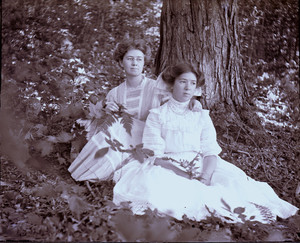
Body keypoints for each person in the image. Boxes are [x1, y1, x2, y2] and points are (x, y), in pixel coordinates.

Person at [112, 63, 299, 223]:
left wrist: (206, 176)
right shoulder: (157, 115)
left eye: (192, 83)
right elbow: (155, 155)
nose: (187, 88)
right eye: (182, 82)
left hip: (201, 163)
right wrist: (182, 172)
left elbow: (210, 151)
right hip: (168, 165)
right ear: (171, 85)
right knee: (164, 190)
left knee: (233, 185)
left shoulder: (201, 115)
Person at [68, 39, 201, 182]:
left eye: (139, 59)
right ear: (120, 62)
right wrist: (108, 111)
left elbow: (175, 105)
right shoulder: (114, 93)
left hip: (153, 139)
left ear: (144, 62)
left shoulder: (156, 87)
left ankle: (96, 171)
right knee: (111, 124)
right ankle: (91, 170)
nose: (135, 63)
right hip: (124, 140)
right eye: (130, 59)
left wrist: (192, 102)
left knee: (118, 125)